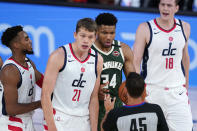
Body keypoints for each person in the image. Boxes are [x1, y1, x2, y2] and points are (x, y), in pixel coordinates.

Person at [133, 0, 193, 130]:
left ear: (176, 8)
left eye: (169, 5)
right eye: (162, 4)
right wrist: (137, 92)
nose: (165, 8)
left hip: (177, 93)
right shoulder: (145, 28)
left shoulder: (185, 27)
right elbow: (135, 61)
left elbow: (185, 58)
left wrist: (186, 85)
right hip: (151, 92)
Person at [41, 18, 103, 131]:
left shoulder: (98, 60)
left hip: (83, 121)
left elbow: (93, 98)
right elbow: (45, 95)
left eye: (90, 37)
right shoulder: (59, 55)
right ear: (75, 35)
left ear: (95, 38)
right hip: (59, 118)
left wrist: (94, 129)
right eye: (82, 36)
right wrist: (52, 128)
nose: (86, 41)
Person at [91, 12, 135, 130]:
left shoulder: (123, 50)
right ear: (96, 32)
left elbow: (134, 82)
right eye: (104, 33)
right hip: (92, 108)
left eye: (112, 33)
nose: (109, 37)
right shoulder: (88, 50)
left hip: (116, 107)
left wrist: (131, 93)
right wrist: (93, 91)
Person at [0, 25, 43, 131]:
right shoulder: (10, 70)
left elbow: (44, 82)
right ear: (16, 45)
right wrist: (40, 104)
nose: (31, 41)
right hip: (12, 124)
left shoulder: (28, 63)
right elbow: (11, 109)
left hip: (27, 121)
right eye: (26, 39)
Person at [102, 72, 169, 131]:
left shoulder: (115, 113)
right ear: (144, 89)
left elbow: (103, 129)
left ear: (126, 90)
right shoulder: (156, 110)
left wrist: (108, 111)